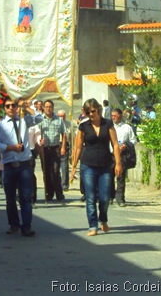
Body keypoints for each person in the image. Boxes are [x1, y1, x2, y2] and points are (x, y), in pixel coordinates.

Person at [71, 98, 122, 237]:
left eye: (93, 111)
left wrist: (118, 163)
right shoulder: (84, 126)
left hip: (105, 165)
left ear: (98, 110)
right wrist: (74, 166)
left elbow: (115, 144)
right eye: (88, 112)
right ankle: (92, 226)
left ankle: (103, 219)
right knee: (90, 197)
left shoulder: (108, 124)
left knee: (105, 197)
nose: (91, 114)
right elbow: (78, 147)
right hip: (88, 166)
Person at [0, 96, 43, 237]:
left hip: (25, 164)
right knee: (10, 197)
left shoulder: (24, 120)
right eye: (8, 106)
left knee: (25, 196)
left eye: (13, 105)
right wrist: (11, 147)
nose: (11, 108)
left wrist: (26, 106)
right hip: (9, 164)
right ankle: (13, 223)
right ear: (4, 108)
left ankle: (26, 226)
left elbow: (40, 118)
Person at [38, 100, 66, 202]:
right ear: (43, 108)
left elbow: (64, 134)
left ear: (53, 108)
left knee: (55, 171)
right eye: (46, 107)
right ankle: (49, 194)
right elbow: (36, 134)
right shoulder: (40, 119)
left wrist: (63, 147)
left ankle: (59, 193)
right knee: (46, 172)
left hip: (55, 148)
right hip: (44, 149)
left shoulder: (59, 120)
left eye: (50, 106)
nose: (48, 108)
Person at [110, 108, 137, 207]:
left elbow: (133, 140)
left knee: (121, 177)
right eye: (112, 116)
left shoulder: (127, 128)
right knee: (109, 176)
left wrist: (126, 145)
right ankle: (110, 196)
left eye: (115, 116)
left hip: (122, 155)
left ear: (120, 116)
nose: (113, 117)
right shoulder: (109, 127)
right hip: (110, 154)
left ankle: (120, 198)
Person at [57, 109, 72, 191]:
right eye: (60, 116)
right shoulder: (56, 123)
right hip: (56, 144)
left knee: (64, 166)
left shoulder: (69, 124)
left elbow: (71, 136)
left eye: (63, 116)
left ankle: (65, 185)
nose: (61, 118)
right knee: (55, 167)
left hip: (65, 145)